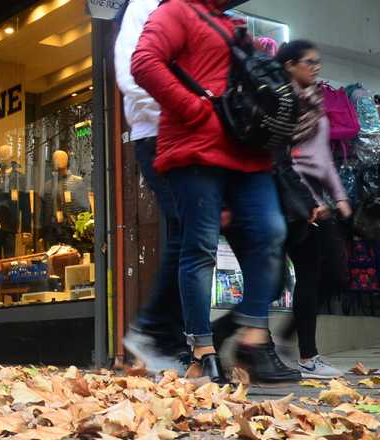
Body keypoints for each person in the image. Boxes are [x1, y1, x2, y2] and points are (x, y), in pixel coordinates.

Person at [132, 0, 300, 383]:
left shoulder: (231, 24)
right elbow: (144, 63)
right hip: (197, 148)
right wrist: (194, 110)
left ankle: (254, 338)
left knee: (271, 231)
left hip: (247, 150)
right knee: (200, 245)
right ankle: (202, 350)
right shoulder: (175, 10)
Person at [114, 0, 189, 374]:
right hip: (159, 134)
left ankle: (168, 337)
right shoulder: (144, 6)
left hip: (189, 133)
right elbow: (131, 75)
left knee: (190, 230)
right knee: (186, 227)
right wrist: (183, 110)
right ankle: (157, 332)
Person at [277, 40, 352, 379]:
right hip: (294, 200)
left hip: (318, 199)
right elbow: (283, 160)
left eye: (318, 62)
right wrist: (308, 202)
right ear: (290, 65)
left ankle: (289, 333)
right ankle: (308, 356)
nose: (316, 67)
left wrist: (338, 197)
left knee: (336, 275)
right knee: (306, 274)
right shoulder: (281, 103)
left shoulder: (315, 102)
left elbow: (323, 158)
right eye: (309, 62)